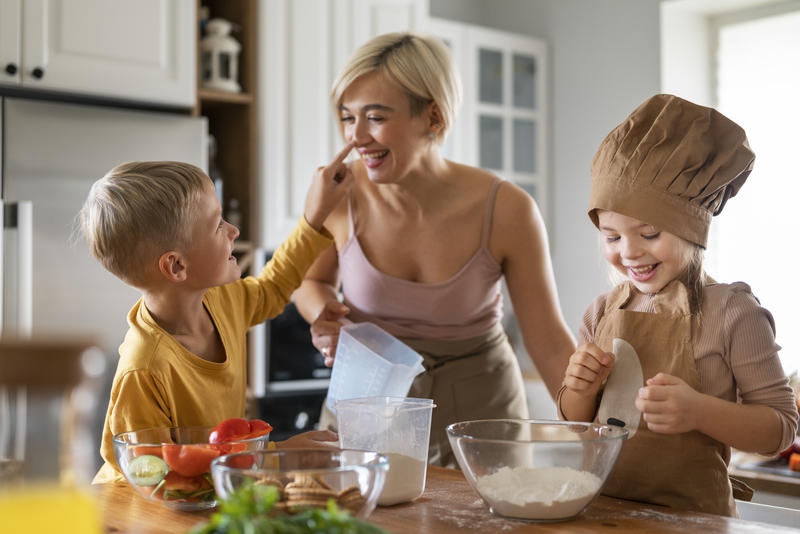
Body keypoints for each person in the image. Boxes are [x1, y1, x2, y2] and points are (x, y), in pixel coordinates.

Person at [292, 32, 576, 468]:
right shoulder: (338, 192)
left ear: (434, 117)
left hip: (482, 416)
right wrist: (322, 311)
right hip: (367, 402)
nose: (357, 137)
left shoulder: (507, 209)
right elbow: (309, 281)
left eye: (376, 117)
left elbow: (551, 344)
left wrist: (601, 433)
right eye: (348, 118)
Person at [559, 94, 799, 516]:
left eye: (649, 233)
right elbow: (577, 424)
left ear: (694, 229)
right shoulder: (600, 312)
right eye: (612, 236)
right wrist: (579, 389)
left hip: (696, 520)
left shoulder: (732, 312)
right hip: (603, 515)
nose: (629, 252)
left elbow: (779, 430)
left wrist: (699, 411)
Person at [81, 148, 354, 483]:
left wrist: (315, 217)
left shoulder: (221, 300)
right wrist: (276, 458)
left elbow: (274, 288)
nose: (233, 231)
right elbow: (155, 480)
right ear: (176, 265)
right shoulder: (144, 369)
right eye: (217, 225)